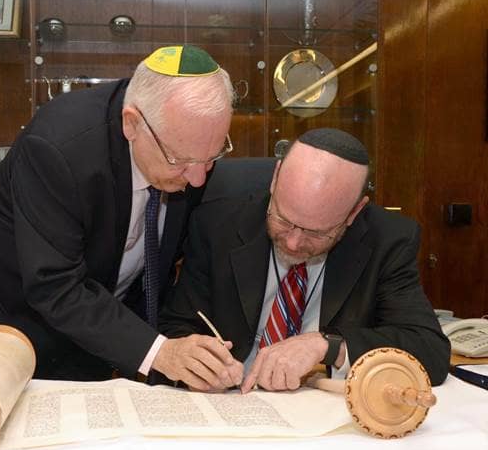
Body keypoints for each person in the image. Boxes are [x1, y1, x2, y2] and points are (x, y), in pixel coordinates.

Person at [0, 45, 243, 388]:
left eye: (211, 157)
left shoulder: (186, 147)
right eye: (179, 160)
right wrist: (159, 352)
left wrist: (180, 348)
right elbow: (55, 284)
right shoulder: (58, 148)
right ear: (132, 124)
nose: (197, 179)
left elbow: (154, 270)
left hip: (83, 337)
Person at [158, 128, 451, 392]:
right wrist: (195, 359)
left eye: (318, 232)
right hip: (233, 402)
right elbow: (176, 327)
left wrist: (329, 346)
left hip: (323, 415)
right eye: (283, 219)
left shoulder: (388, 240)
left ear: (354, 212)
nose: (294, 242)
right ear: (275, 180)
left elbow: (430, 353)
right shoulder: (216, 226)